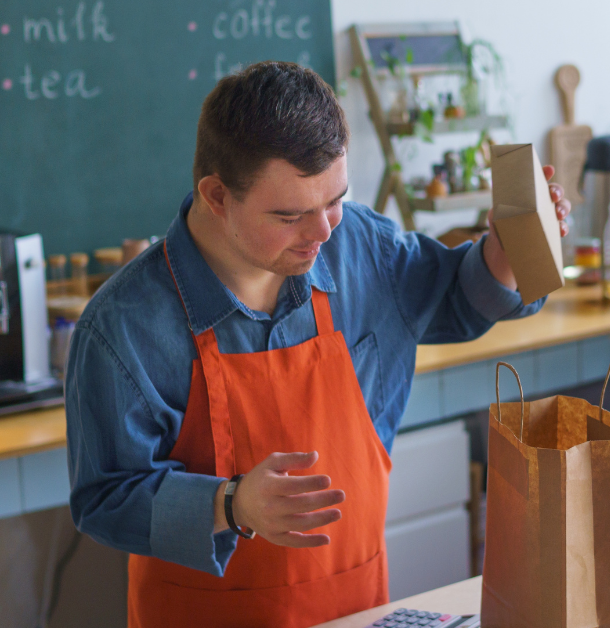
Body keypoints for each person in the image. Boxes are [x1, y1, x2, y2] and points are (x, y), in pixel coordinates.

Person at [64, 61, 571, 628]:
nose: (323, 233)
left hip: (358, 610)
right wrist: (229, 504)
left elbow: (455, 295)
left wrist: (504, 256)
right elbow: (104, 499)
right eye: (290, 215)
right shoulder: (124, 327)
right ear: (216, 196)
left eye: (335, 199)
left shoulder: (360, 247)